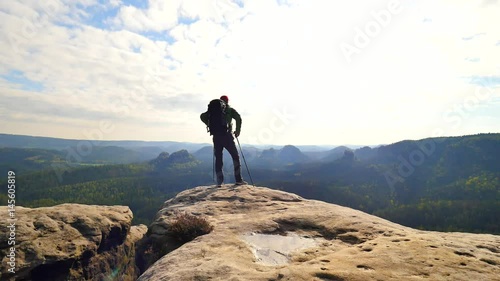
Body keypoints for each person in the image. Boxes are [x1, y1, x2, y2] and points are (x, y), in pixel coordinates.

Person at [200, 95, 248, 186]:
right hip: (227, 136)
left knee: (218, 158)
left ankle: (219, 182)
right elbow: (238, 118)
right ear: (227, 101)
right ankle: (238, 180)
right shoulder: (229, 109)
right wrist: (237, 131)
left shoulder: (212, 110)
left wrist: (209, 124)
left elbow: (202, 116)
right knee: (235, 157)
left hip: (216, 136)